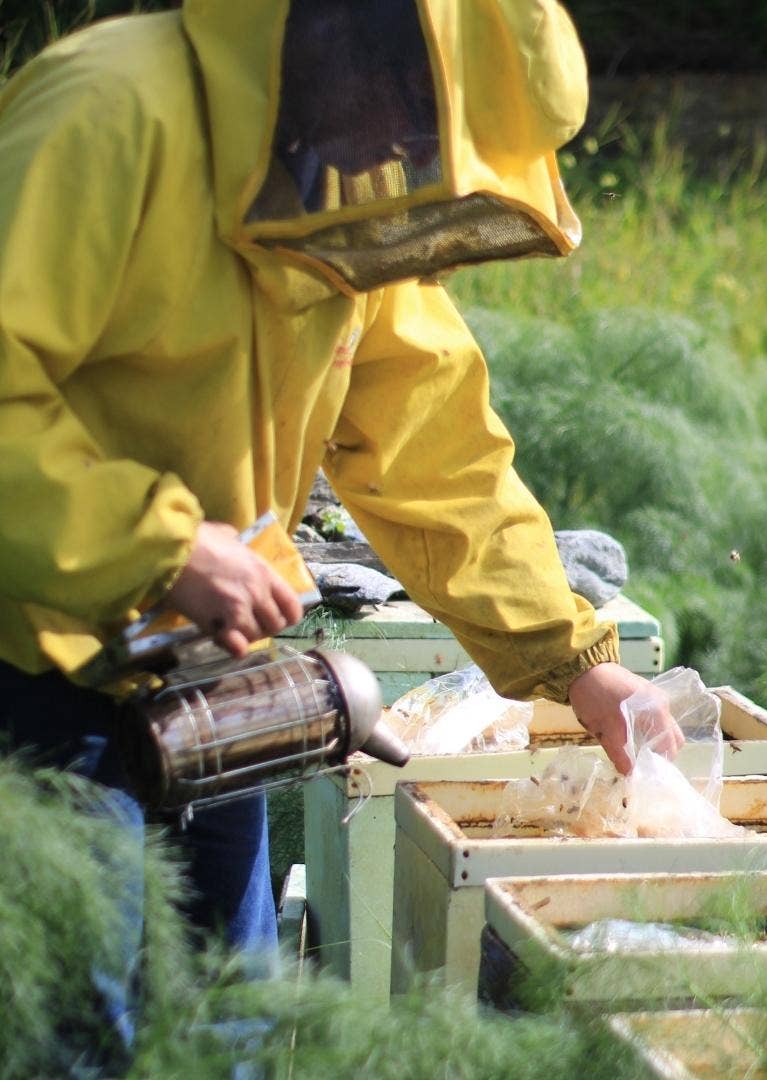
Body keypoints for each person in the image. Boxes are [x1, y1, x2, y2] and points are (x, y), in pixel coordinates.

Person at [0, 0, 683, 1067]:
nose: (407, 147)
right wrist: (161, 547)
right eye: (414, 108)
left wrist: (574, 659)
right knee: (72, 1042)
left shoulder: (351, 185)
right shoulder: (111, 111)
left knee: (231, 1025)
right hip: (34, 673)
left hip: (210, 677)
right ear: (360, 38)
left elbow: (432, 449)